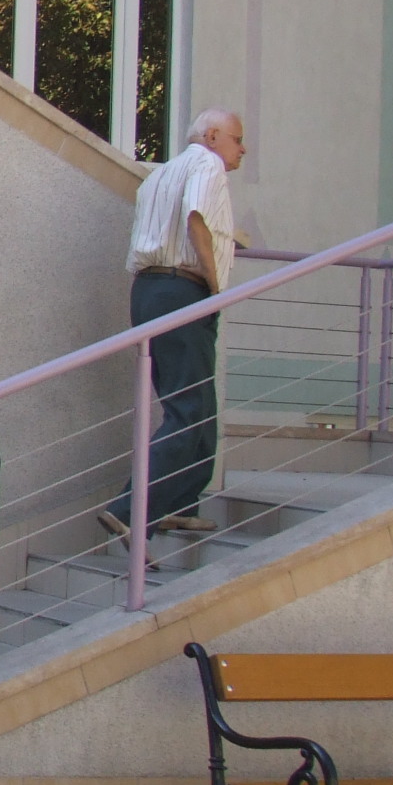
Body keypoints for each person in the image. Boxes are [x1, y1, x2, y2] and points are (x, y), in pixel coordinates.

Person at [100, 110, 247, 541]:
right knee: (190, 410)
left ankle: (179, 504)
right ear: (213, 135)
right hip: (183, 288)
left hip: (149, 291)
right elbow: (196, 218)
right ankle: (130, 509)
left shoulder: (160, 174)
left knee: (195, 404)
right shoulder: (207, 164)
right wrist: (216, 286)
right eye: (238, 139)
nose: (242, 149)